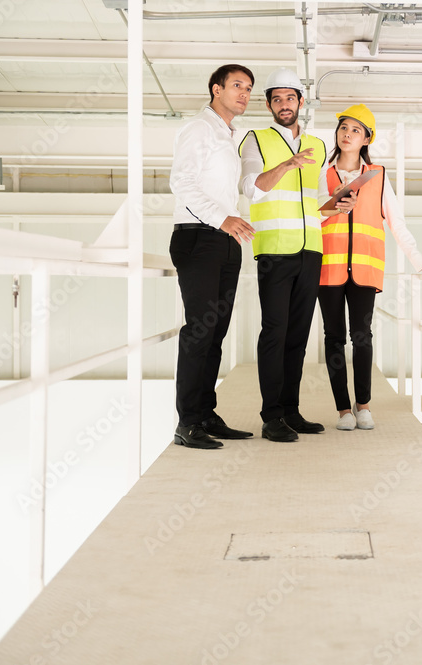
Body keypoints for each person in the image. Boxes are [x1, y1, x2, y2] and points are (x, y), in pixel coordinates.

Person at [318, 104, 422, 431]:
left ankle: (364, 406)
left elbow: (396, 223)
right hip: (327, 268)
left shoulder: (379, 176)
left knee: (362, 337)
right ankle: (343, 410)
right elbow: (309, 215)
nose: (347, 134)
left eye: (356, 130)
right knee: (333, 338)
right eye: (344, 128)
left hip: (364, 269)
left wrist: (421, 262)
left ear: (366, 138)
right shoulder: (322, 171)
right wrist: (332, 208)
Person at [169, 64, 256, 449]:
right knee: (200, 332)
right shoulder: (199, 128)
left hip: (223, 239)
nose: (244, 93)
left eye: (249, 88)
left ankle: (205, 413)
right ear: (216, 88)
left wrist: (228, 225)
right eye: (237, 85)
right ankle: (187, 422)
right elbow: (181, 182)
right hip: (198, 237)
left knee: (216, 334)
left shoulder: (228, 135)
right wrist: (223, 219)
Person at [239, 68, 329, 442]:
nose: (283, 105)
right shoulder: (256, 139)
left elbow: (317, 199)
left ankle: (291, 411)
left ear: (300, 102)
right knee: (274, 332)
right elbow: (250, 188)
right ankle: (271, 415)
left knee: (298, 336)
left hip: (311, 251)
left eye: (289, 98)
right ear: (269, 105)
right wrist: (287, 164)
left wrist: (336, 207)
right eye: (276, 99)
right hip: (275, 250)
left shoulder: (319, 146)